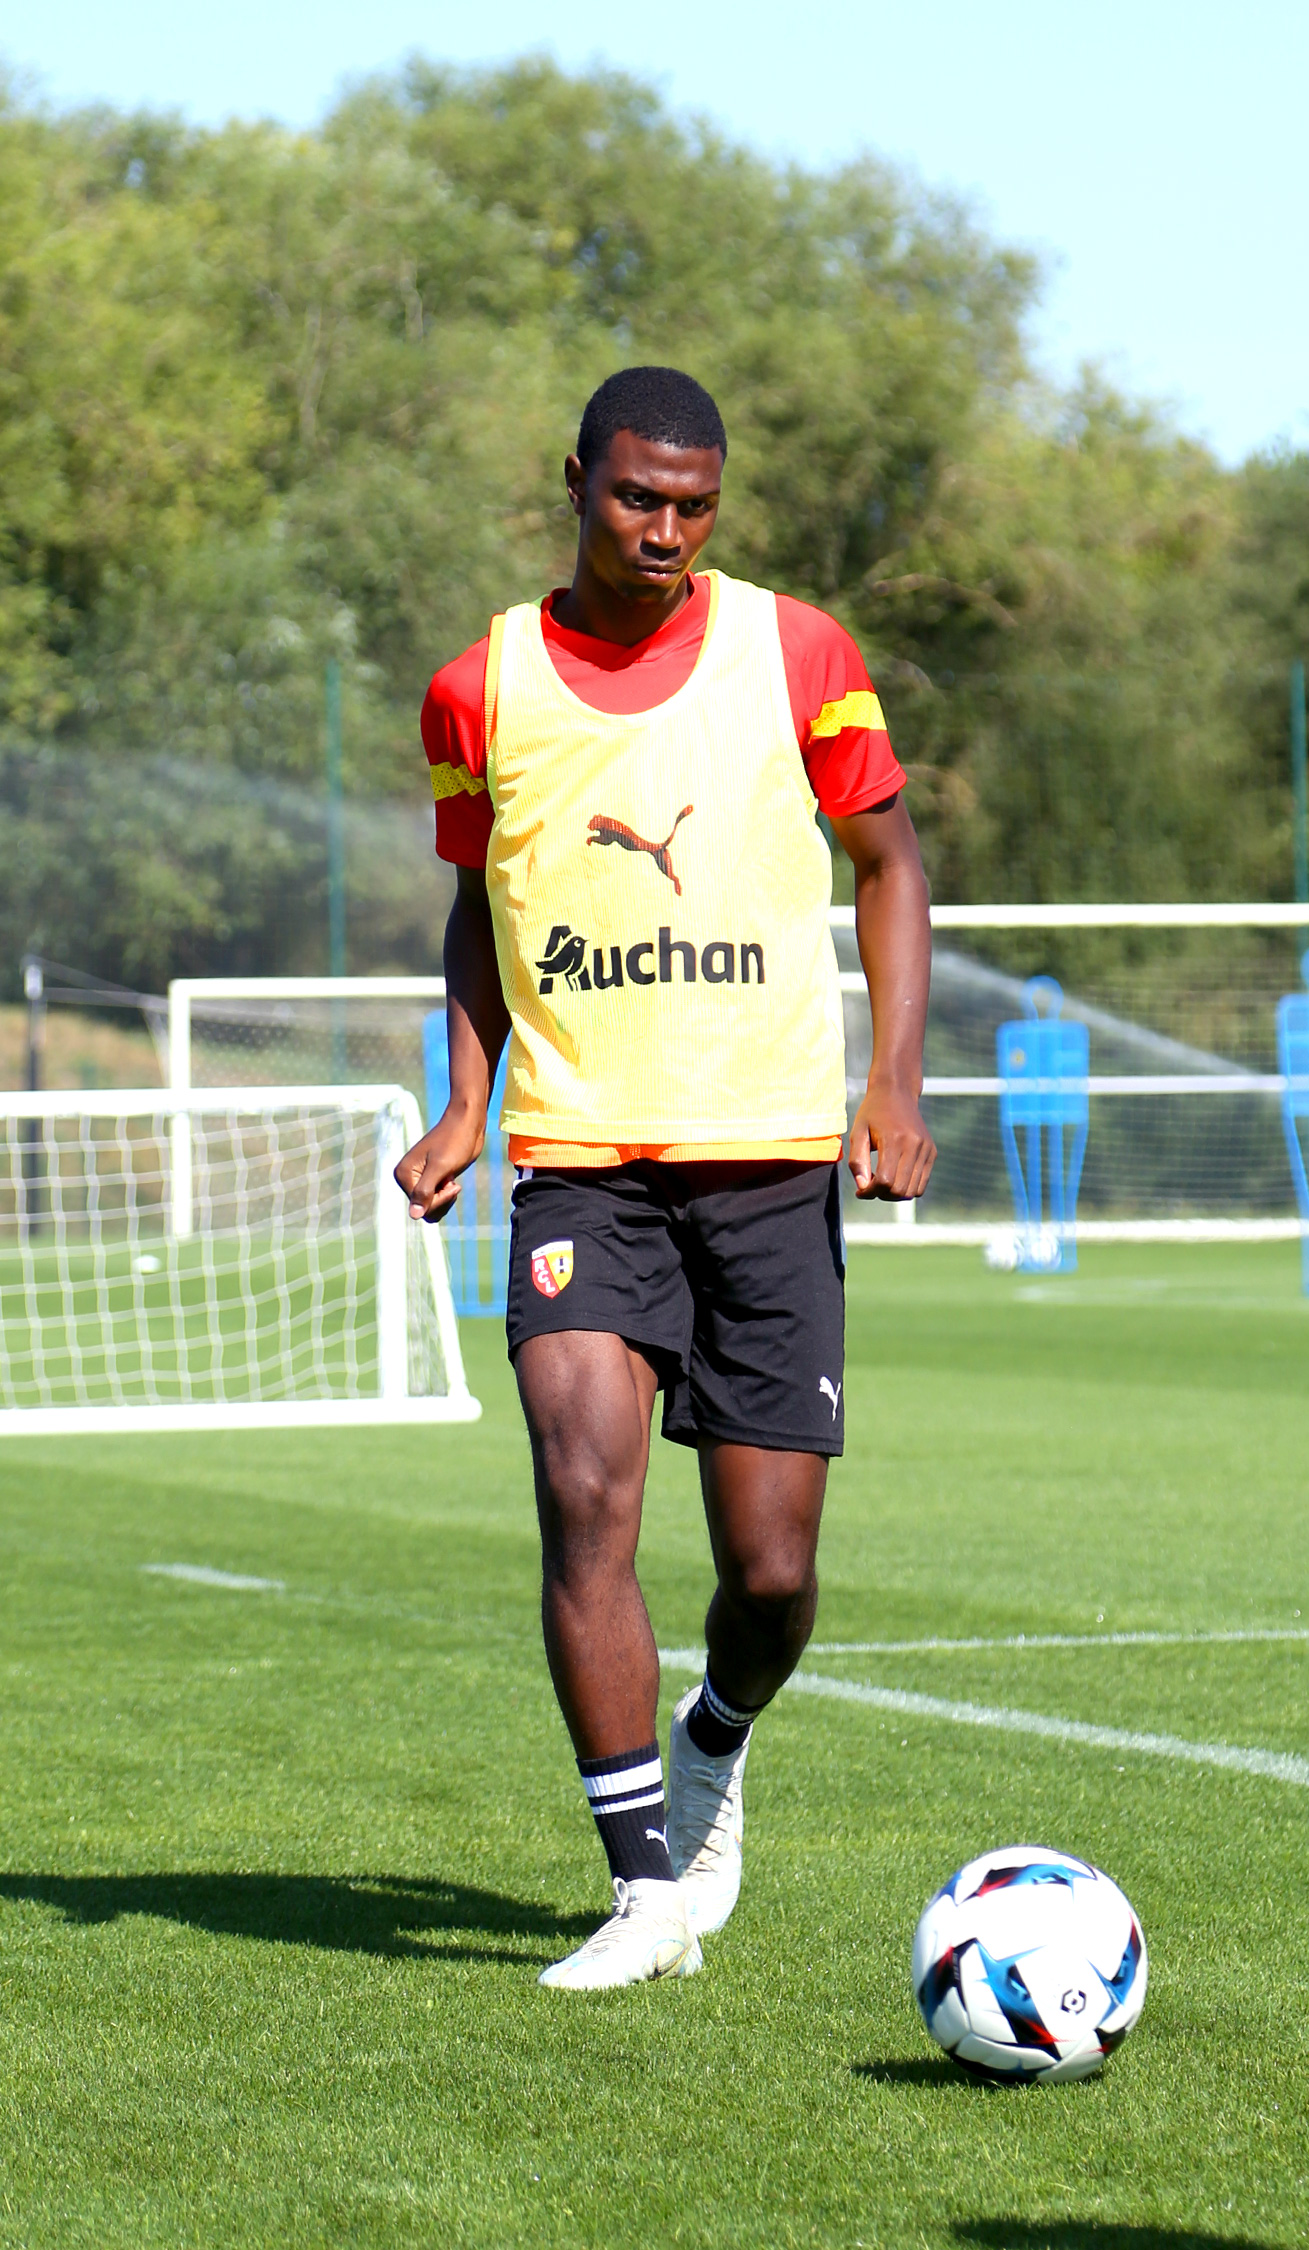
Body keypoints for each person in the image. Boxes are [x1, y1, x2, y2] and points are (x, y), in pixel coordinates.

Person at [396, 365, 934, 1989]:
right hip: (580, 1161)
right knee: (582, 1492)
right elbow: (481, 904)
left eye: (696, 504)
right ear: (575, 478)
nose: (668, 531)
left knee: (769, 1573)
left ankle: (716, 1733)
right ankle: (641, 1887)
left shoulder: (802, 652)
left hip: (769, 1162)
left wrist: (890, 1081)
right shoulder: (477, 687)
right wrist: (469, 1099)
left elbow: (892, 863)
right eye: (639, 497)